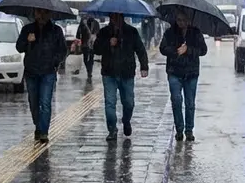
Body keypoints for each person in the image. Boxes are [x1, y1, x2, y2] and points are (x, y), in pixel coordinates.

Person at [93, 12, 149, 141]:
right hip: (109, 73)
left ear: (122, 17)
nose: (115, 19)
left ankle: (126, 120)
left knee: (128, 102)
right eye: (112, 17)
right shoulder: (104, 32)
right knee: (110, 103)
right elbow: (96, 49)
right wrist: (108, 43)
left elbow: (140, 49)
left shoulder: (131, 31)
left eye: (117, 17)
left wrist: (144, 66)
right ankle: (112, 129)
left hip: (127, 73)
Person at [15, 8, 68, 144]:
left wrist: (54, 62)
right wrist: (27, 41)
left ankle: (43, 131)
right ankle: (38, 125)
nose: (42, 16)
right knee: (34, 102)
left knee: (45, 102)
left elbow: (62, 50)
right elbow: (19, 47)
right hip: (31, 71)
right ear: (35, 13)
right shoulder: (28, 29)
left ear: (50, 14)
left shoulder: (56, 30)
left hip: (48, 72)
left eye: (45, 13)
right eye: (39, 12)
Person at [159, 10, 207, 142]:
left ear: (188, 20)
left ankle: (189, 130)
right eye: (179, 20)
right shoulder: (170, 32)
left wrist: (188, 49)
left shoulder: (195, 33)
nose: (181, 23)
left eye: (183, 20)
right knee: (176, 100)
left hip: (191, 73)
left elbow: (203, 50)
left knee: (190, 103)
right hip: (174, 71)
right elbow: (163, 48)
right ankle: (179, 130)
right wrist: (176, 50)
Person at [76, 14, 100, 80]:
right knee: (85, 58)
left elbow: (99, 33)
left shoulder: (96, 23)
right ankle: (88, 70)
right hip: (85, 44)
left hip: (92, 44)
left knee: (91, 58)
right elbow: (78, 33)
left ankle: (90, 71)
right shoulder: (83, 22)